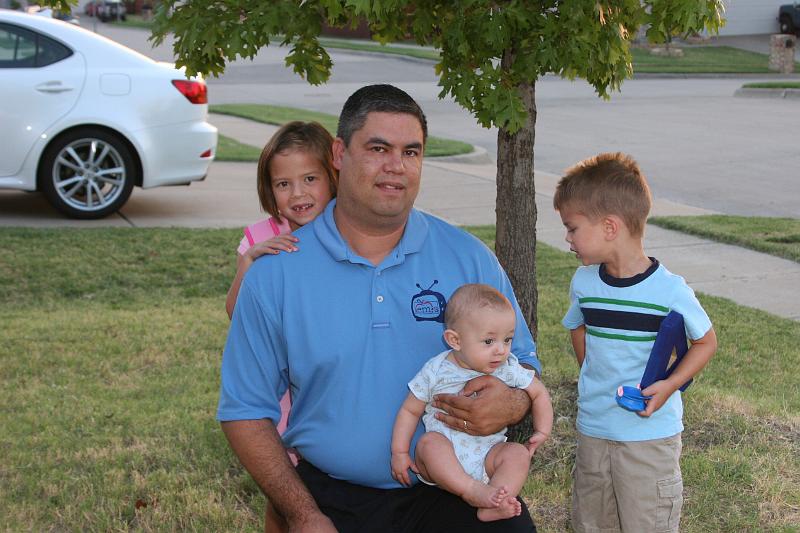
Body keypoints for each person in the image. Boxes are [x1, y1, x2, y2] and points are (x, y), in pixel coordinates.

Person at [217, 84, 542, 532]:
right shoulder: (277, 274)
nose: (396, 166)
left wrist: (512, 402)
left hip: (457, 486)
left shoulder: (467, 258)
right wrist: (302, 513)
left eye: (411, 152)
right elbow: (245, 410)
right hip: (331, 497)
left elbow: (524, 364)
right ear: (339, 153)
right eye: (378, 149)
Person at [553, 152, 718, 533]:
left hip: (649, 437)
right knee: (592, 522)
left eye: (572, 228)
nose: (567, 238)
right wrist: (591, 371)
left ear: (609, 227)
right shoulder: (585, 284)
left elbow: (705, 342)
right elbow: (577, 326)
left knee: (647, 522)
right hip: (594, 430)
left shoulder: (669, 291)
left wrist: (670, 385)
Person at [391, 283, 553, 523]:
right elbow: (409, 410)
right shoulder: (437, 370)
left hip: (488, 456)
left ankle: (497, 499)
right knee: (429, 444)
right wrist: (400, 452)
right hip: (443, 461)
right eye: (489, 341)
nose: (501, 350)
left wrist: (543, 429)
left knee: (517, 453)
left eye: (507, 339)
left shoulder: (507, 368)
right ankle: (471, 490)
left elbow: (539, 392)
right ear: (455, 340)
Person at [225, 120, 338, 320]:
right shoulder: (257, 241)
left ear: (332, 178)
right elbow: (235, 314)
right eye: (283, 184)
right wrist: (249, 260)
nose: (297, 193)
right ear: (270, 190)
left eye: (310, 179)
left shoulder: (346, 233)